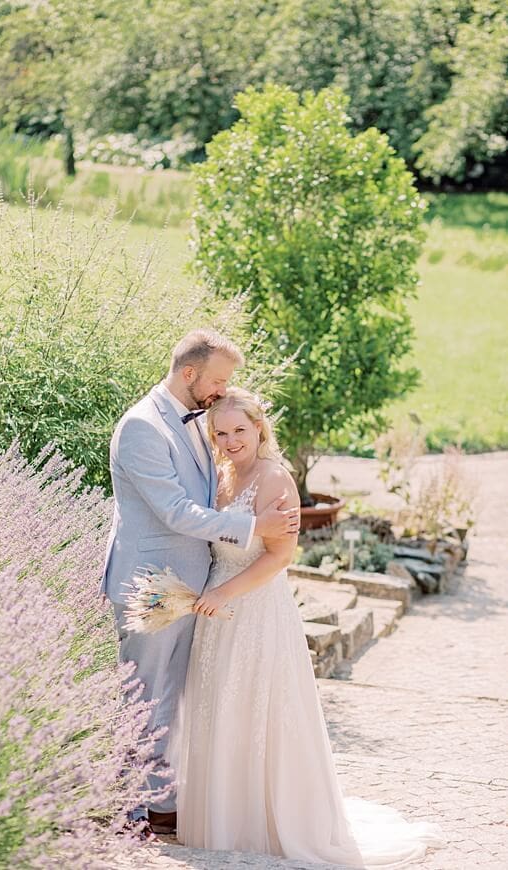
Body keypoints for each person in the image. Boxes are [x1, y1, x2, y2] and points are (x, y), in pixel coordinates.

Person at [172, 387, 442, 864]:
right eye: (222, 433)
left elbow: (281, 556)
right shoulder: (219, 476)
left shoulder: (275, 479)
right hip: (216, 614)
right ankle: (221, 819)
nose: (232, 440)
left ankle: (270, 823)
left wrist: (221, 594)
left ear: (259, 427)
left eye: (240, 429)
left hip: (254, 610)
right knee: (219, 706)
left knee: (258, 709)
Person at [100, 329, 300, 834]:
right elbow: (173, 512)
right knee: (140, 691)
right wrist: (253, 527)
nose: (222, 389)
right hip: (152, 582)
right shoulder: (143, 426)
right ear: (190, 373)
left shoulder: (193, 420)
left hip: (195, 585)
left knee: (168, 693)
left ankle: (158, 797)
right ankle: (128, 809)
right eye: (218, 379)